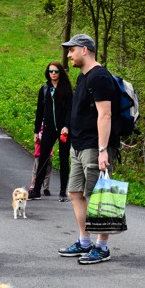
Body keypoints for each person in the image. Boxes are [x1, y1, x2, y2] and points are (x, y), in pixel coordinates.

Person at [57, 35, 119, 264]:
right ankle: (84, 242)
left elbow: (106, 114)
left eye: (71, 50)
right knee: (75, 192)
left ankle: (102, 247)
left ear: (85, 50)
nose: (69, 55)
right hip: (78, 145)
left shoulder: (100, 77)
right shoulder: (83, 77)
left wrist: (103, 149)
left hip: (95, 146)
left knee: (98, 196)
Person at [29, 61, 72, 202]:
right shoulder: (45, 88)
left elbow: (70, 110)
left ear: (60, 73)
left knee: (64, 159)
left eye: (56, 71)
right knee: (43, 158)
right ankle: (36, 191)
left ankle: (62, 192)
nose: (53, 74)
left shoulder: (66, 89)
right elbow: (39, 111)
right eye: (50, 71)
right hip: (48, 129)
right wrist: (36, 131)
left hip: (63, 130)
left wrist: (67, 126)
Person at [29, 123, 53, 195]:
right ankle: (46, 188)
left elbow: (37, 140)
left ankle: (33, 186)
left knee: (35, 171)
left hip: (39, 154)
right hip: (49, 154)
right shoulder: (51, 130)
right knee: (47, 172)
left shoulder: (38, 131)